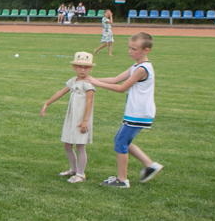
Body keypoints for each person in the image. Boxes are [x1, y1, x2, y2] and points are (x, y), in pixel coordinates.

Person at [87, 32, 164, 188]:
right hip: (136, 112)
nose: (130, 51)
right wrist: (92, 79)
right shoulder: (136, 66)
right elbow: (115, 79)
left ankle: (122, 180)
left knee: (120, 142)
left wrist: (97, 83)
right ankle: (150, 165)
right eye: (129, 48)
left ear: (146, 50)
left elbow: (121, 88)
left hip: (139, 113)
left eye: (134, 49)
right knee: (122, 141)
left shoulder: (142, 69)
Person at [40, 51, 95, 183]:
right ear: (74, 67)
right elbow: (60, 92)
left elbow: (89, 102)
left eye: (86, 67)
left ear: (90, 68)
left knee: (80, 147)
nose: (83, 70)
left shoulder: (88, 84)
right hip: (72, 118)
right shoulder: (73, 81)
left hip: (81, 119)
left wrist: (85, 121)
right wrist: (47, 103)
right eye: (80, 67)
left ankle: (80, 174)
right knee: (67, 145)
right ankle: (73, 169)